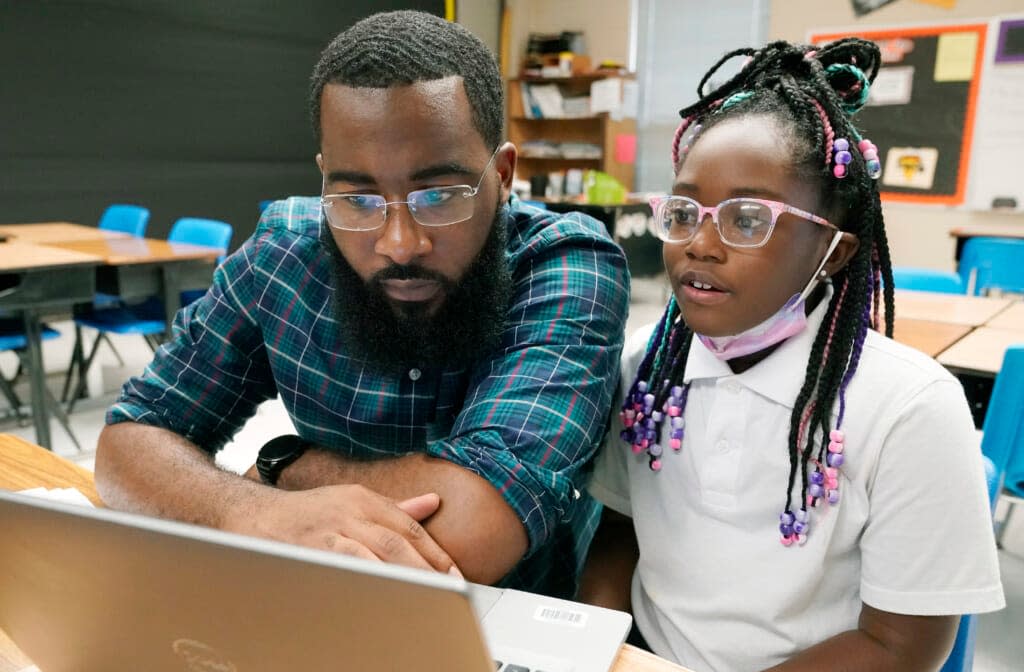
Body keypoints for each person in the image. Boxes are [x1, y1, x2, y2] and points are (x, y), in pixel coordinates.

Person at [94, 10, 630, 600]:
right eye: (357, 198)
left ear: (502, 174)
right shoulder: (283, 256)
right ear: (325, 179)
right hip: (314, 603)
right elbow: (127, 445)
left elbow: (472, 533)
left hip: (510, 622)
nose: (400, 243)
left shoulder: (566, 263)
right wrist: (252, 512)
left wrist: (287, 466)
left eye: (440, 194)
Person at [580, 38, 1004, 672]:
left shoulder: (909, 407)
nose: (701, 244)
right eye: (685, 211)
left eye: (748, 220)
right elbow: (619, 533)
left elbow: (903, 649)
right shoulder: (648, 371)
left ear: (831, 251)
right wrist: (597, 654)